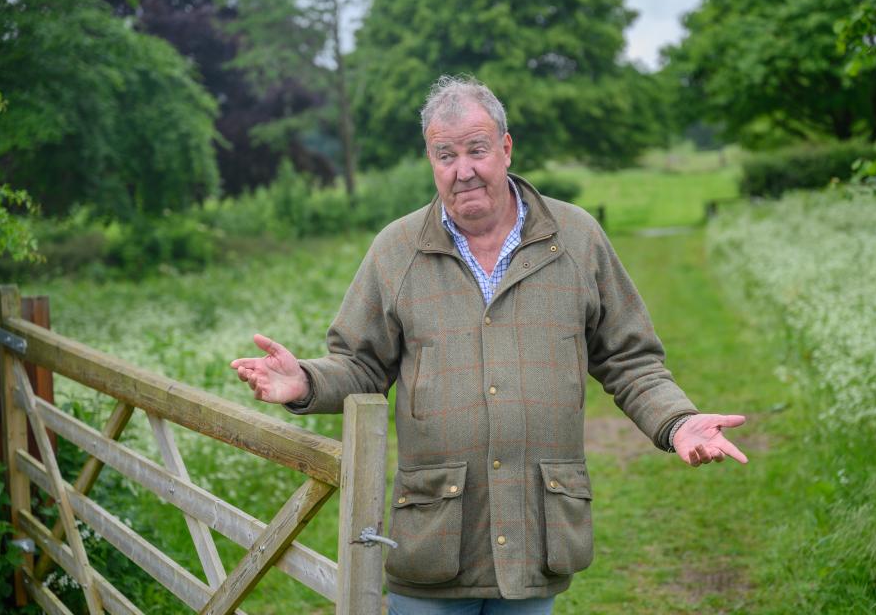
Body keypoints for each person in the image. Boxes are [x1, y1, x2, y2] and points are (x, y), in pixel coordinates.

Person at [230, 75, 747, 615]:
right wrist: (306, 381)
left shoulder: (576, 238)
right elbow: (360, 364)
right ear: (431, 160)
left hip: (536, 533)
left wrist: (676, 420)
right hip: (433, 537)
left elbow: (629, 358)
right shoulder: (396, 249)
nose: (463, 170)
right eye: (445, 154)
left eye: (476, 149)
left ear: (505, 147)